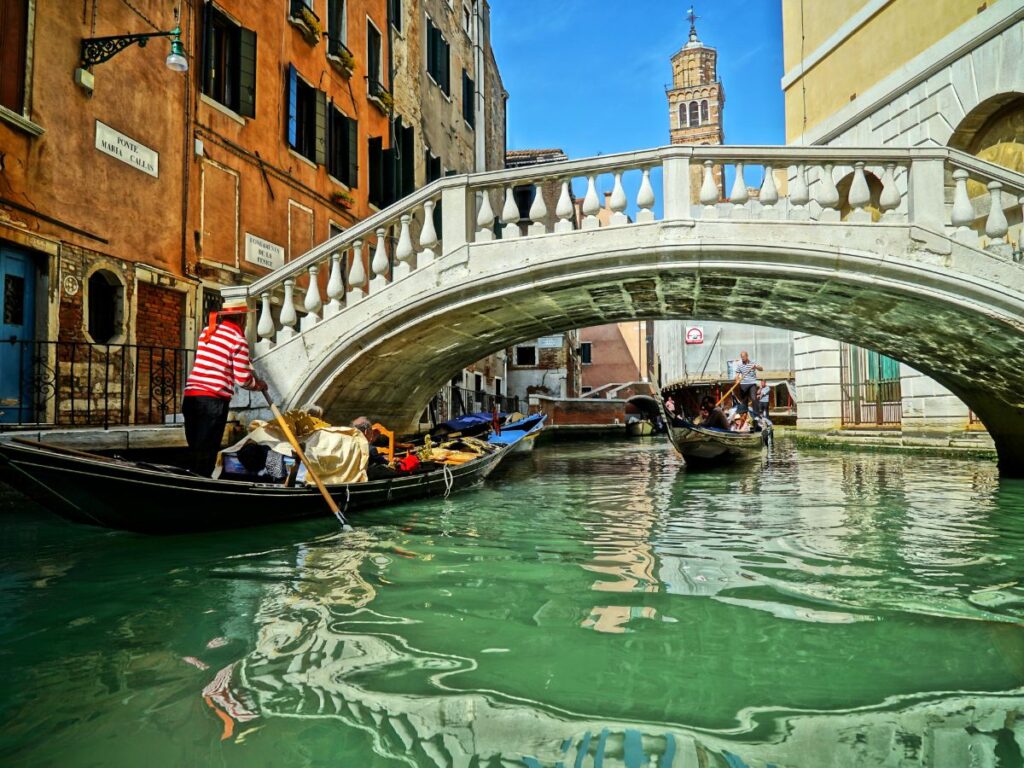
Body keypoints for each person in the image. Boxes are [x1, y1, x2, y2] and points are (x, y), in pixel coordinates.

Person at [182, 301, 267, 476]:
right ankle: (201, 490)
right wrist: (259, 386)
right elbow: (243, 380)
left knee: (195, 449)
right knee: (206, 454)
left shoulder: (207, 332)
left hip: (191, 397)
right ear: (241, 318)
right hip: (213, 401)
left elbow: (216, 360)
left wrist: (241, 360)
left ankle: (192, 488)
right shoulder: (238, 339)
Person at [733, 351, 763, 418]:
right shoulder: (739, 364)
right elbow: (737, 375)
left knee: (754, 398)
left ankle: (756, 415)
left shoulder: (752, 363)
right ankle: (744, 416)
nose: (742, 358)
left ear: (747, 356)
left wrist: (756, 367)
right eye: (741, 357)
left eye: (743, 357)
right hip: (743, 384)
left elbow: (761, 369)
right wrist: (737, 380)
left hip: (752, 383)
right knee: (744, 401)